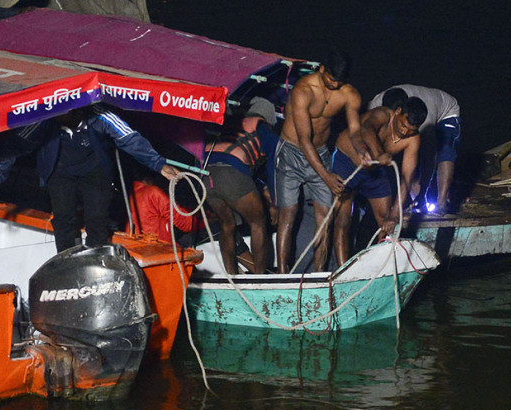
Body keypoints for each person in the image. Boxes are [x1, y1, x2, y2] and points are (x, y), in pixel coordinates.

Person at [0, 105, 179, 252]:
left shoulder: (101, 116)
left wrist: (159, 164)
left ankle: (97, 259)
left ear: (79, 109)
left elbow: (131, 139)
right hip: (60, 172)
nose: (58, 111)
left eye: (66, 109)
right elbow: (16, 146)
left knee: (97, 220)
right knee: (63, 219)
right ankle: (65, 260)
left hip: (95, 171)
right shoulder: (46, 118)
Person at [274, 50, 371, 273]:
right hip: (291, 152)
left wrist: (362, 150)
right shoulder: (303, 90)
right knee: (288, 213)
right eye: (331, 79)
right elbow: (304, 139)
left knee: (325, 217)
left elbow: (356, 130)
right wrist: (326, 176)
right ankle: (281, 273)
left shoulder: (350, 94)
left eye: (340, 81)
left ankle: (319, 275)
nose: (334, 85)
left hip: (321, 152)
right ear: (322, 69)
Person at [331, 96, 427, 265]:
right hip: (346, 162)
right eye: (403, 125)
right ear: (398, 112)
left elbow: (406, 179)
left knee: (385, 221)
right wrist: (378, 153)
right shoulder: (382, 114)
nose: (405, 132)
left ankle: (377, 268)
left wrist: (395, 214)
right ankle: (342, 270)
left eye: (411, 130)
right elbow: (366, 128)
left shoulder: (413, 140)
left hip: (375, 172)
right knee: (343, 220)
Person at [203, 97, 279, 274]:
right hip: (231, 172)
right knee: (258, 222)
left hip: (205, 173)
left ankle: (232, 277)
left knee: (227, 224)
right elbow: (272, 168)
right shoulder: (263, 129)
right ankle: (260, 279)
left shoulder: (230, 123)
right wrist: (274, 202)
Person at [370, 85, 461, 214]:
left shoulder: (419, 120)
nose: (403, 131)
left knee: (445, 152)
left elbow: (429, 156)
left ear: (399, 111)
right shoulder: (375, 105)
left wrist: (423, 191)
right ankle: (410, 199)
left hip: (446, 111)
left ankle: (441, 202)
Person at [132, 173, 203, 244]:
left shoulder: (127, 194)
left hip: (135, 248)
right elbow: (187, 224)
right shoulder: (152, 192)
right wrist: (206, 219)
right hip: (158, 248)